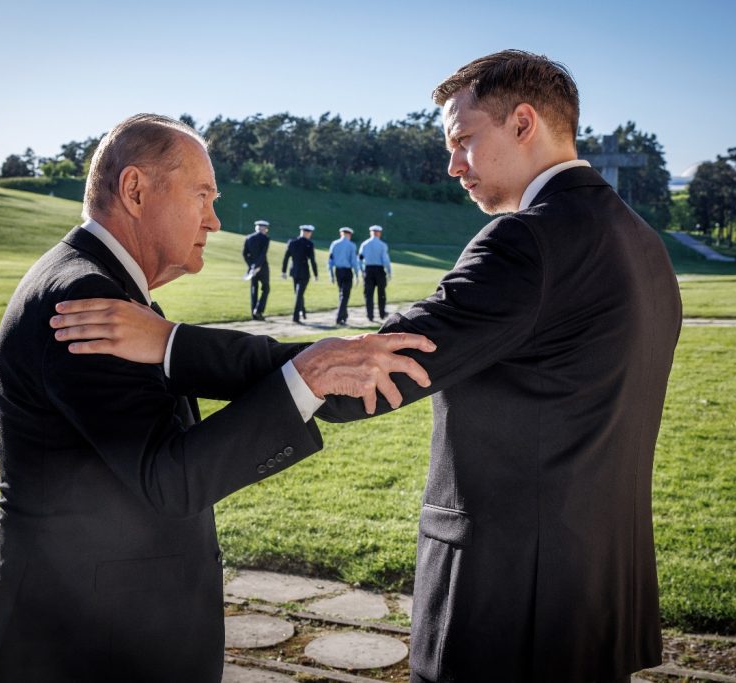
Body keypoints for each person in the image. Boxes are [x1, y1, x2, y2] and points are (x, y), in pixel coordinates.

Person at [59, 51, 683, 682]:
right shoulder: (639, 239)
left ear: (524, 123)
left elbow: (365, 377)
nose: (452, 165)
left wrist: (173, 345)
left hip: (511, 598)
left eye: (464, 140)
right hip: (602, 591)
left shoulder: (526, 241)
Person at [0, 113, 435, 683]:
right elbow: (171, 479)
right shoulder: (84, 297)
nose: (213, 219)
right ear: (135, 190)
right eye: (203, 195)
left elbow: (183, 383)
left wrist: (315, 366)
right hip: (77, 645)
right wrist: (306, 379)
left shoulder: (108, 287)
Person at [281, 224, 318, 324]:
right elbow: (312, 261)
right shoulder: (309, 244)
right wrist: (316, 274)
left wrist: (283, 271)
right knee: (299, 294)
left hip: (294, 272)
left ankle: (302, 311)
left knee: (298, 293)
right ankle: (296, 317)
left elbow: (286, 258)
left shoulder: (292, 242)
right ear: (307, 232)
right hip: (304, 272)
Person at [358, 224, 392, 322]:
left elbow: (359, 259)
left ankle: (370, 315)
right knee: (381, 293)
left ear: (371, 232)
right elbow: (386, 261)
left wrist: (362, 271)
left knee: (368, 294)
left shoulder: (364, 244)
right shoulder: (382, 245)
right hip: (379, 271)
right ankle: (382, 313)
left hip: (368, 270)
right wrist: (389, 272)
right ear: (379, 233)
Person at [327, 226, 358, 325]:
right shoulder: (351, 245)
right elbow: (354, 262)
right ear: (349, 234)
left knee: (342, 294)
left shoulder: (334, 244)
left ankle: (344, 316)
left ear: (341, 233)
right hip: (347, 271)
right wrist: (357, 274)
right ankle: (339, 318)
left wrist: (331, 274)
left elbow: (330, 261)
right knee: (345, 295)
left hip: (338, 271)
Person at [243, 219, 271, 320]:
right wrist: (257, 266)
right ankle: (258, 310)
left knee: (254, 289)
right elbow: (263, 254)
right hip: (262, 268)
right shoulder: (266, 239)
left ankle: (253, 314)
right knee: (266, 289)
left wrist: (252, 266)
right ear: (264, 228)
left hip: (252, 269)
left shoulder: (248, 238)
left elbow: (245, 254)